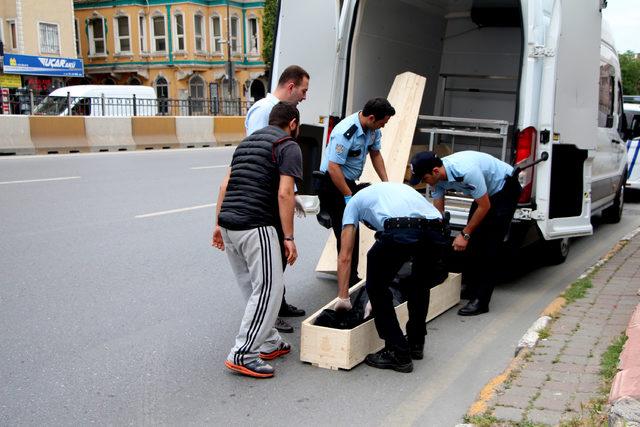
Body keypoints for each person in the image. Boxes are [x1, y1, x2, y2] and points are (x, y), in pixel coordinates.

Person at [212, 102, 303, 378]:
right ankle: (243, 353)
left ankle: (268, 340)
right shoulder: (288, 145)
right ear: (293, 124)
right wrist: (288, 237)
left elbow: (225, 185)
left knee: (253, 287)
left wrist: (217, 224)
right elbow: (285, 193)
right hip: (256, 225)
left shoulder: (247, 143)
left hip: (229, 224)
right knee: (269, 289)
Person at [333, 182, 448, 373]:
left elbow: (345, 255)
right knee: (419, 285)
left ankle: (398, 353)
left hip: (403, 229)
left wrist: (344, 297)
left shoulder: (353, 203)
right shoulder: (393, 191)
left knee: (377, 287)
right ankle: (415, 344)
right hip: (438, 229)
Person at [409, 151, 522, 316]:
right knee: (474, 242)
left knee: (489, 245)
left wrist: (465, 234)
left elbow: (484, 207)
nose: (425, 182)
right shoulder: (437, 177)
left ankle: (481, 301)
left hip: (504, 188)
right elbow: (438, 208)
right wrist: (437, 231)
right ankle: (470, 287)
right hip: (486, 195)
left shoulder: (467, 171)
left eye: (424, 179)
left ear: (434, 171)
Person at [245, 65, 311, 333]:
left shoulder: (277, 111)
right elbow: (260, 155)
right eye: (304, 90)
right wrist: (285, 195)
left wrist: (291, 194)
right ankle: (269, 315)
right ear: (291, 86)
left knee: (278, 258)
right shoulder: (265, 111)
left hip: (275, 195)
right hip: (265, 197)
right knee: (271, 259)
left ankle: (278, 304)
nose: (305, 97)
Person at [318, 98, 395, 285]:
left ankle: (351, 277)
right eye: (382, 123)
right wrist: (348, 195)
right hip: (332, 183)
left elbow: (376, 154)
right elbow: (333, 167)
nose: (383, 127)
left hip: (348, 181)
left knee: (353, 229)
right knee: (347, 230)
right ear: (371, 117)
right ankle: (350, 280)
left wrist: (386, 183)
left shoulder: (372, 130)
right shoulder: (345, 132)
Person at [245, 65, 310, 135]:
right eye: (303, 91)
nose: (304, 97)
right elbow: (257, 144)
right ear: (291, 87)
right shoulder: (264, 109)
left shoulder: (272, 109)